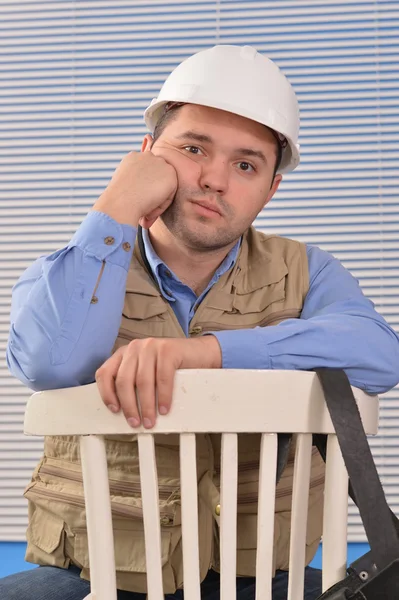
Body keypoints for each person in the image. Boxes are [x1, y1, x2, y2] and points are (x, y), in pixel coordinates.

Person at [3, 44, 399, 600]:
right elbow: (52, 361)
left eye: (245, 165)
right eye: (193, 149)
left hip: (267, 577)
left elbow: (380, 354)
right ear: (146, 154)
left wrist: (205, 352)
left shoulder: (310, 272)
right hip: (93, 577)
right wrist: (118, 202)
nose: (214, 179)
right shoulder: (69, 271)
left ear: (271, 189)